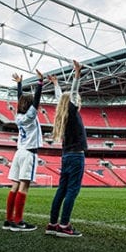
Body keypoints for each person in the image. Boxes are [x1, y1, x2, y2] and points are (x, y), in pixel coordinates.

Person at [45, 60, 87, 238]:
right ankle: (64, 226)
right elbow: (74, 92)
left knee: (61, 190)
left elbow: (59, 97)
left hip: (66, 156)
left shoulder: (63, 114)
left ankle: (53, 224)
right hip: (76, 157)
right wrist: (77, 74)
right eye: (76, 100)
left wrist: (55, 84)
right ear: (72, 102)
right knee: (72, 191)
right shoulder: (72, 111)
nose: (78, 101)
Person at [3, 69, 44, 232]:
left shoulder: (18, 117)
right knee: (24, 187)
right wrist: (40, 83)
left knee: (15, 185)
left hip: (19, 152)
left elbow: (21, 101)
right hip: (29, 153)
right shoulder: (29, 116)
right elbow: (36, 101)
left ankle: (8, 220)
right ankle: (18, 221)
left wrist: (20, 84)